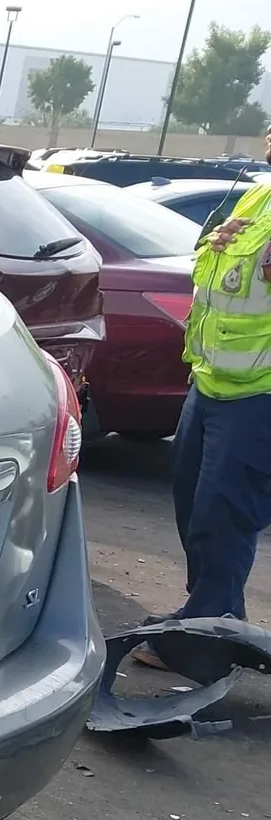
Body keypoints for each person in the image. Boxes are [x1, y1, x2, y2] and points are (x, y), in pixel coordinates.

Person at [135, 129, 271, 666]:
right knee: (193, 508)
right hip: (211, 380)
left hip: (259, 394)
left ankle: (202, 647)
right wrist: (217, 243)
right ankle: (217, 617)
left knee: (222, 518)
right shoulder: (259, 195)